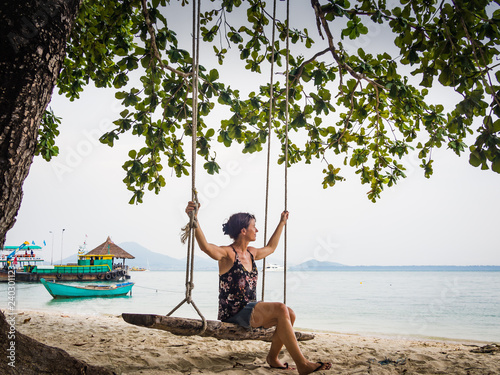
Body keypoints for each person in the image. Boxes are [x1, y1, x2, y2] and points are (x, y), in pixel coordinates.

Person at [185, 201, 332, 374]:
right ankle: (303, 364)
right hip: (233, 313)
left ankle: (272, 358)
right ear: (243, 231)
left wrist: (282, 223)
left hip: (250, 309)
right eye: (254, 226)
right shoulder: (227, 254)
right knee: (280, 308)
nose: (257, 230)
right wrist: (194, 218)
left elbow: (271, 247)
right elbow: (206, 247)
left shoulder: (251, 253)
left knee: (289, 314)